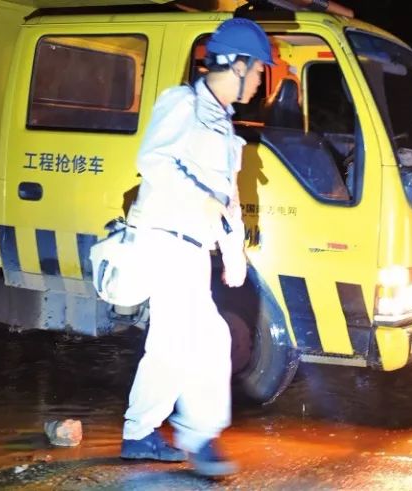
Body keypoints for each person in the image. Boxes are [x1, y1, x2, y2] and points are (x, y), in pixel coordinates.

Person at [117, 18, 273, 477]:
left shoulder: (223, 123)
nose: (261, 79)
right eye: (258, 69)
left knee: (171, 343)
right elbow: (153, 161)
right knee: (206, 338)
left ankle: (139, 433)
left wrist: (233, 249)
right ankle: (201, 438)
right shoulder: (182, 103)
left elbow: (226, 196)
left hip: (191, 247)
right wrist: (200, 199)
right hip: (164, 239)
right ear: (237, 65)